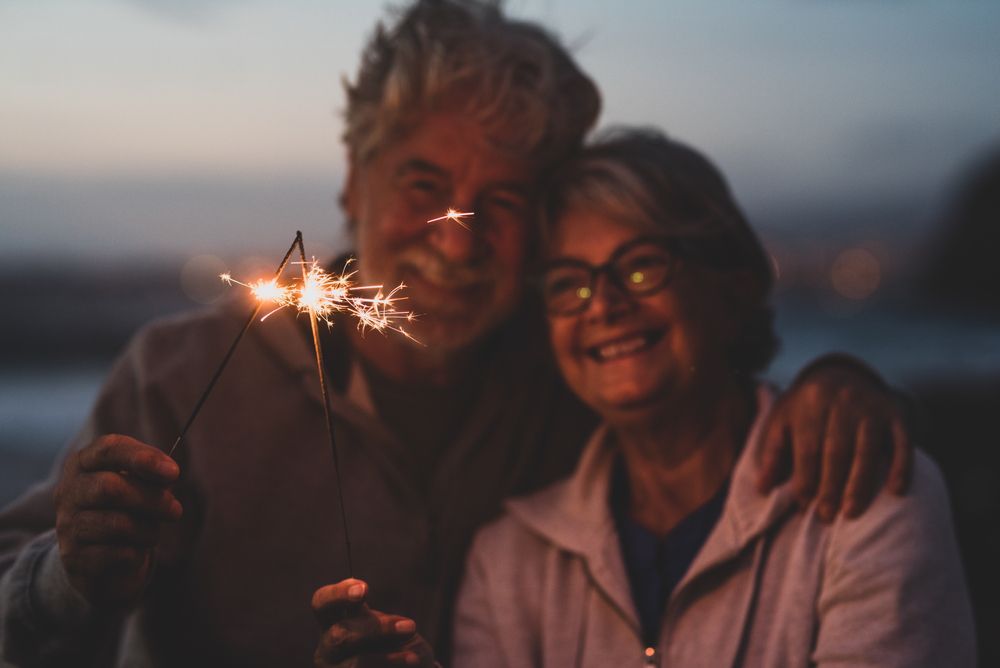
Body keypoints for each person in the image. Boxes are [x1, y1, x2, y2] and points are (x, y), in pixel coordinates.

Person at [0, 2, 910, 667]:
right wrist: (66, 572)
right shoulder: (178, 376)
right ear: (354, 181)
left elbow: (707, 396)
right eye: (423, 185)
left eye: (501, 202)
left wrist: (841, 380)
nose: (455, 237)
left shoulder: (568, 380)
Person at [449, 128, 975, 667]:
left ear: (735, 284)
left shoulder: (867, 498)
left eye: (640, 265)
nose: (602, 304)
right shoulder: (508, 562)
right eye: (569, 283)